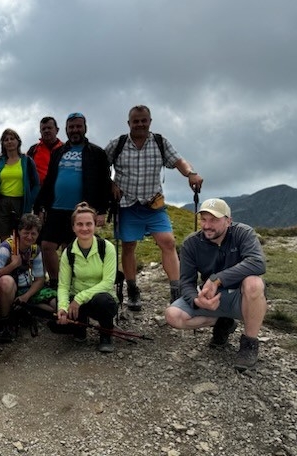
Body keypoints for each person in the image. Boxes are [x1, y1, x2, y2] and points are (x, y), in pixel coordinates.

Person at [106, 105, 204, 310]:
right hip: (126, 204)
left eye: (144, 120)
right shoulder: (118, 144)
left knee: (168, 242)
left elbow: (178, 160)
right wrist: (111, 184)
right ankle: (132, 290)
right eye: (136, 121)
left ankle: (176, 293)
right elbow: (101, 166)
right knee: (128, 246)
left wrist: (191, 173)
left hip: (154, 203)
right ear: (129, 123)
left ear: (150, 121)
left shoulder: (160, 142)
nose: (140, 124)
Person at [164, 198, 267, 371]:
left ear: (228, 221)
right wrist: (197, 301)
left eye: (214, 220)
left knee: (254, 283)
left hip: (239, 297)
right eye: (203, 219)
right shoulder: (192, 243)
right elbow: (186, 282)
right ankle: (222, 322)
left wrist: (217, 279)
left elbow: (258, 263)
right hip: (210, 298)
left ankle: (249, 344)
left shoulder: (243, 233)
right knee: (172, 315)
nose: (206, 225)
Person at [34, 112, 111, 289]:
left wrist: (101, 210)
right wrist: (40, 206)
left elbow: (104, 182)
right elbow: (50, 180)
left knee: (72, 249)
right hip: (55, 208)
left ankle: (71, 284)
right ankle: (54, 282)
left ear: (85, 128)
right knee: (46, 245)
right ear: (66, 130)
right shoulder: (58, 152)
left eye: (78, 126)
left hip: (81, 211)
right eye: (71, 127)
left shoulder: (96, 153)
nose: (75, 130)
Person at [56, 202, 118, 353]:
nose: (84, 228)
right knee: (67, 325)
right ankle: (80, 325)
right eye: (80, 224)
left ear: (95, 225)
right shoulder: (68, 253)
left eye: (89, 224)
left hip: (99, 298)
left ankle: (106, 333)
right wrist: (63, 307)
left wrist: (79, 298)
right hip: (78, 301)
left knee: (103, 300)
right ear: (73, 227)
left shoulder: (107, 248)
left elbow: (108, 283)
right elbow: (63, 285)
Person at [0, 213, 56, 343]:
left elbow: (39, 279)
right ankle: (5, 320)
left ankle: (23, 308)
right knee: (6, 282)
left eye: (33, 234)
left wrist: (26, 296)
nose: (29, 237)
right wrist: (12, 265)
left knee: (55, 304)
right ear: (19, 231)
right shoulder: (6, 247)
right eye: (26, 232)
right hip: (9, 288)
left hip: (25, 289)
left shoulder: (34, 250)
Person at [0, 128, 40, 240]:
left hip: (21, 202)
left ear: (18, 141)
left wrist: (30, 199)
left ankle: (18, 257)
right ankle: (5, 255)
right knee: (2, 235)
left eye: (12, 138)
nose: (9, 141)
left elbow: (36, 184)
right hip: (2, 202)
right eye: (6, 139)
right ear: (2, 143)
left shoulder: (27, 161)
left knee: (21, 234)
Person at [27, 116, 63, 184]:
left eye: (49, 128)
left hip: (60, 191)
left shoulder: (66, 149)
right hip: (39, 192)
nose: (46, 131)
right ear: (40, 131)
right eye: (43, 129)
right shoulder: (33, 149)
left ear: (57, 130)